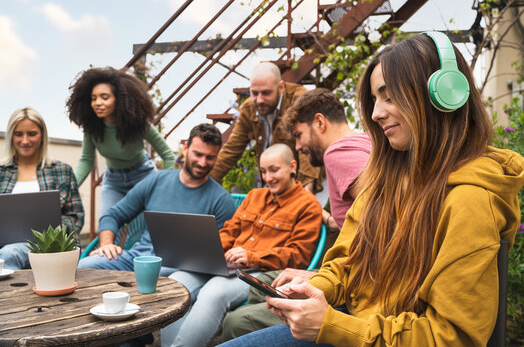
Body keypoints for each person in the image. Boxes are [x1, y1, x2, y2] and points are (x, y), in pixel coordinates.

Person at [218, 32, 524, 347]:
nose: (376, 114)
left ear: (444, 95)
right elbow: (347, 259)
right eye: (375, 100)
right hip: (354, 328)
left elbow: (451, 336)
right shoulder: (384, 180)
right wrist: (317, 288)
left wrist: (334, 325)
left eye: (389, 96)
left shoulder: (471, 200)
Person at [221, 88, 371, 340]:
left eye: (299, 136)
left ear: (320, 122)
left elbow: (383, 221)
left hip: (359, 295)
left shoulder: (338, 153)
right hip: (352, 278)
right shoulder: (365, 141)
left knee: (236, 321)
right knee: (263, 291)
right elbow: (367, 217)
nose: (299, 146)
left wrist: (322, 279)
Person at [161, 143, 322, 347]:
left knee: (213, 293)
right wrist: (208, 248)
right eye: (263, 171)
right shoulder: (255, 196)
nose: (267, 178)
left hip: (259, 272)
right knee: (175, 283)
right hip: (223, 263)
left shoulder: (307, 205)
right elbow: (230, 231)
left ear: (292, 167)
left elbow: (298, 256)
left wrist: (251, 256)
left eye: (274, 170)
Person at [77, 123, 236, 272]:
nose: (203, 163)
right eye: (198, 154)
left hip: (179, 268)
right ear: (186, 148)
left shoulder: (221, 200)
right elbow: (113, 215)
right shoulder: (156, 181)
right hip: (137, 258)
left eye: (210, 157)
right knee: (83, 268)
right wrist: (106, 244)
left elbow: (219, 253)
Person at [66, 67, 175, 218]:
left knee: (147, 229)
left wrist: (162, 188)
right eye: (93, 98)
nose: (97, 103)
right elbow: (86, 160)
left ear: (120, 99)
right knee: (106, 224)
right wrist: (70, 189)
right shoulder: (92, 128)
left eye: (104, 97)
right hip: (113, 180)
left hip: (143, 176)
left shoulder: (139, 124)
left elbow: (168, 156)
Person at [0, 107, 84, 270]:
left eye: (32, 134)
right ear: (10, 136)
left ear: (42, 136)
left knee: (8, 255)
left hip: (45, 249)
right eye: (18, 134)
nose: (25, 141)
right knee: (0, 255)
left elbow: (75, 217)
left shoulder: (61, 171)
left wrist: (49, 231)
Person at [210, 62, 322, 193]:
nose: (259, 100)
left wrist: (306, 190)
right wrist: (205, 183)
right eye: (254, 93)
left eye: (266, 93)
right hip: (275, 181)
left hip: (308, 177)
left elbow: (309, 145)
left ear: (281, 87)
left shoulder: (299, 100)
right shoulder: (249, 108)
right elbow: (231, 150)